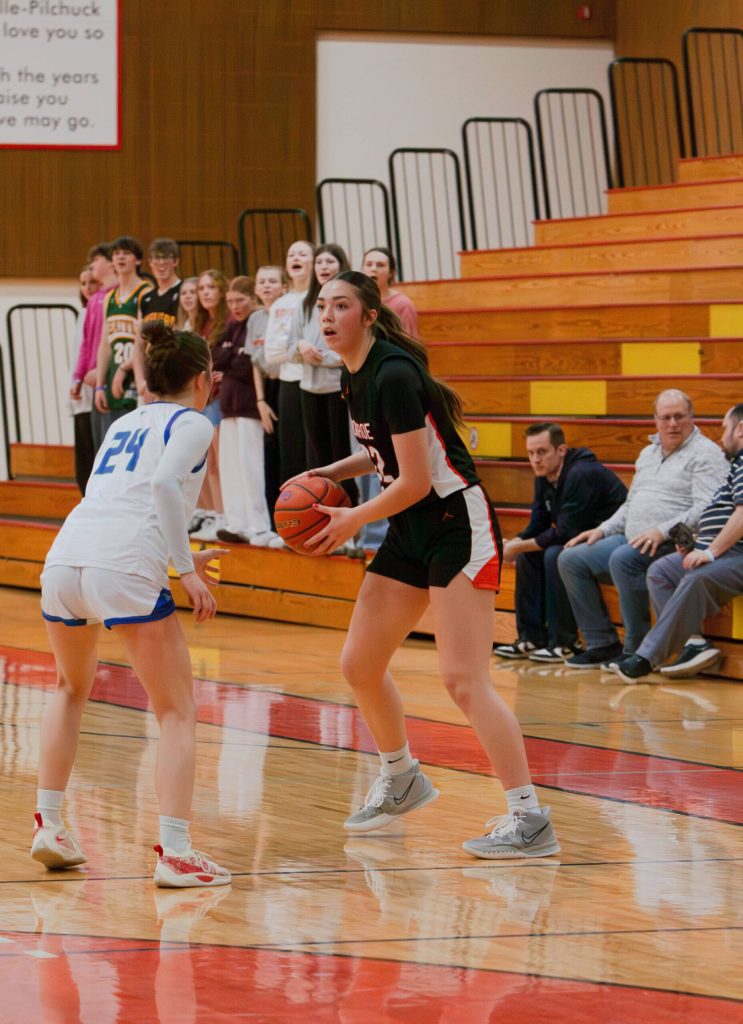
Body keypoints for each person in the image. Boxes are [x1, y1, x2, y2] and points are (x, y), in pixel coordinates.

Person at [294, 270, 560, 859]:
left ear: (368, 314)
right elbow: (380, 452)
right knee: (360, 664)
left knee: (463, 680)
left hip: (453, 525)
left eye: (341, 305)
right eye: (322, 306)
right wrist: (328, 477)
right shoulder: (354, 372)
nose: (329, 315)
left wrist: (352, 519)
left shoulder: (391, 373)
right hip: (412, 527)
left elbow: (415, 479)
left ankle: (530, 818)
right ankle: (402, 776)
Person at [32, 320, 231, 888]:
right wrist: (186, 570)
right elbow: (166, 486)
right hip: (122, 563)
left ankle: (49, 823)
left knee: (70, 688)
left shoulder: (123, 420)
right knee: (176, 711)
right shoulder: (194, 421)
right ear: (203, 380)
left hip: (66, 558)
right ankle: (176, 852)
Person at [558, 390, 728, 668]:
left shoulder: (706, 453)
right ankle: (602, 643)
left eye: (679, 417)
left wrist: (662, 531)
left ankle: (636, 649)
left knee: (624, 559)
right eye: (666, 417)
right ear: (655, 420)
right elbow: (631, 504)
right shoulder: (647, 453)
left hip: (677, 540)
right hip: (632, 536)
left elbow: (706, 508)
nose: (672, 424)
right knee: (571, 559)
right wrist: (602, 530)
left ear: (692, 417)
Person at [610, 404, 743, 683]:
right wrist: (691, 542)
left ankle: (645, 657)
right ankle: (691, 644)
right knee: (661, 571)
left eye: (724, 429)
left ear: (740, 429)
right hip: (721, 548)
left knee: (697, 577)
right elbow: (718, 513)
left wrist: (709, 551)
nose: (721, 438)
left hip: (736, 552)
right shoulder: (736, 466)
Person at [493, 423, 627, 663]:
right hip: (579, 538)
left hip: (611, 539)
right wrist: (513, 544)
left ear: (561, 450)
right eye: (531, 453)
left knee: (553, 555)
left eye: (542, 452)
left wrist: (517, 546)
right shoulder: (543, 476)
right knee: (527, 556)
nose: (535, 459)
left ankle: (565, 642)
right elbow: (538, 525)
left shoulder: (581, 473)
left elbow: (565, 532)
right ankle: (531, 637)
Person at [212, 276, 278, 546]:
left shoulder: (257, 323)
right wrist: (230, 357)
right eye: (230, 302)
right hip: (228, 408)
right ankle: (236, 522)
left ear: (253, 299)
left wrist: (227, 362)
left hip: (250, 406)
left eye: (240, 300)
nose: (235, 306)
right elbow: (213, 356)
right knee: (230, 467)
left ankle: (259, 526)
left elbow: (246, 364)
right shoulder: (231, 327)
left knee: (251, 467)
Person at [298, 243, 359, 510]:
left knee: (342, 457)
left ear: (341, 266)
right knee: (317, 457)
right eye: (320, 262)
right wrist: (300, 347)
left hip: (337, 387)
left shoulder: (350, 302)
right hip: (308, 388)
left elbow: (354, 344)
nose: (323, 267)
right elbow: (288, 346)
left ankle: (351, 516)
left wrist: (329, 360)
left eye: (329, 262)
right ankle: (321, 514)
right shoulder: (305, 303)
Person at [263, 240, 314, 486]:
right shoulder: (280, 304)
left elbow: (318, 343)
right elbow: (270, 354)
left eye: (302, 253)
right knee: (291, 453)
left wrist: (290, 345)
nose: (296, 257)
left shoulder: (319, 297)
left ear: (313, 262)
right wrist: (297, 348)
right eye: (291, 253)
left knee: (315, 451)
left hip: (316, 382)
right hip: (288, 384)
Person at [94, 236, 152, 433]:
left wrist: (126, 368)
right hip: (113, 376)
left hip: (136, 376)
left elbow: (145, 340)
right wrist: (100, 385)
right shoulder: (110, 297)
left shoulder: (145, 292)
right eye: (116, 253)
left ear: (137, 260)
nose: (120, 257)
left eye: (126, 253)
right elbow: (104, 344)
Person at [189, 269, 229, 541]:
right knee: (208, 461)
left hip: (222, 398)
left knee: (219, 460)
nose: (205, 293)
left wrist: (224, 372)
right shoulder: (200, 323)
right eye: (201, 288)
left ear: (221, 291)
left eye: (210, 287)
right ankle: (213, 514)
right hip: (204, 396)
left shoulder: (229, 322)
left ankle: (224, 515)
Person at [248, 265, 287, 520]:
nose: (266, 286)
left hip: (289, 384)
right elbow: (255, 362)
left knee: (290, 452)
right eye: (261, 281)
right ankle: (277, 521)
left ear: (284, 287)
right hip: (268, 389)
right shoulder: (255, 319)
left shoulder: (290, 313)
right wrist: (260, 400)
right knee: (271, 456)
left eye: (272, 281)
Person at [72, 241, 117, 453]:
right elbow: (87, 344)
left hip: (111, 378)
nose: (91, 267)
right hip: (95, 381)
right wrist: (78, 377)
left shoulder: (117, 295)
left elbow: (112, 342)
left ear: (110, 263)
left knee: (113, 441)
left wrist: (100, 372)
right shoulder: (94, 301)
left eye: (95, 262)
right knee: (99, 445)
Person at [133, 238, 183, 398]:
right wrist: (141, 382)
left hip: (174, 373)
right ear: (150, 263)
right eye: (156, 258)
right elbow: (139, 343)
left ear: (175, 261)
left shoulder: (184, 291)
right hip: (150, 375)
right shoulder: (146, 297)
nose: (161, 263)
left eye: (166, 258)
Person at [69, 264, 101, 494]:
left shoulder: (98, 310)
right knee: (84, 456)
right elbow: (79, 353)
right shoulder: (82, 313)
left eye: (93, 282)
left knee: (95, 451)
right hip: (82, 392)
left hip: (97, 389)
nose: (88, 287)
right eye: (84, 283)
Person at [361, 246, 419, 338]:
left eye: (380, 265)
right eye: (369, 264)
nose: (373, 269)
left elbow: (410, 342)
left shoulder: (403, 304)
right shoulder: (356, 299)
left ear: (391, 272)